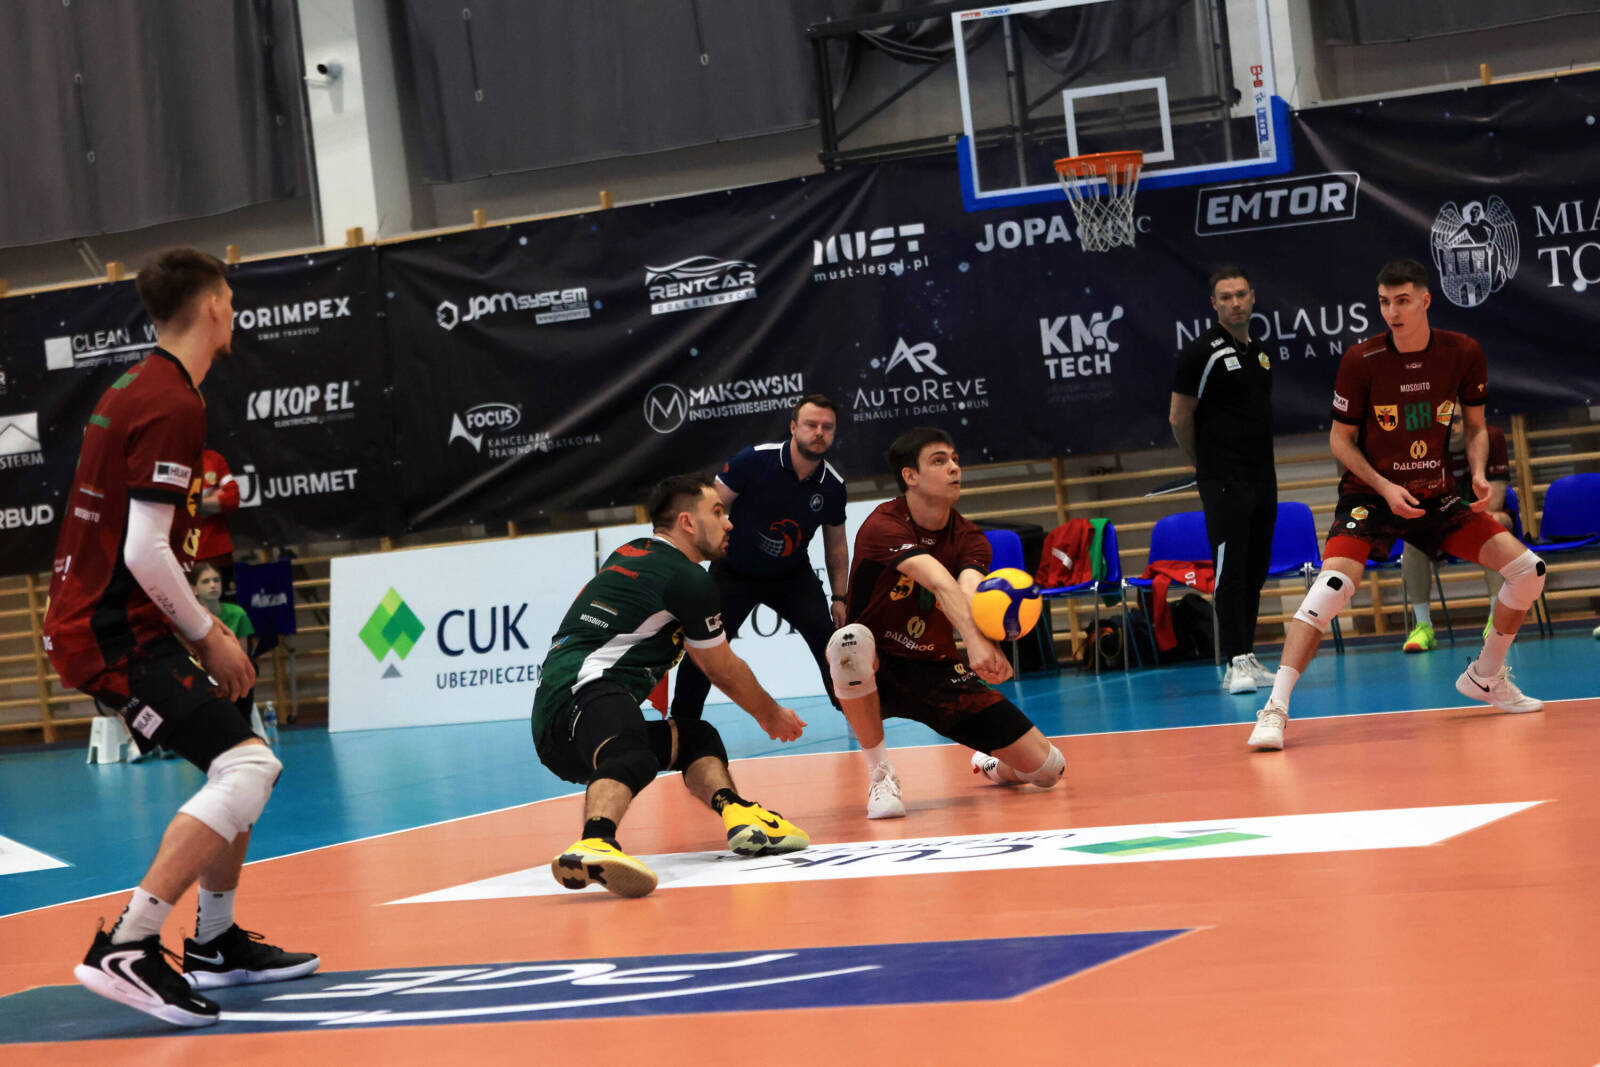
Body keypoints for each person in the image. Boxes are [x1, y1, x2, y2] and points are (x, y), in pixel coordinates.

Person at [43, 248, 317, 1028]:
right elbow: (142, 549)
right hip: (111, 632)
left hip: (123, 618)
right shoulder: (171, 401)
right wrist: (209, 634)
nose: (234, 310)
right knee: (249, 764)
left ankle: (216, 942)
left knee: (242, 742)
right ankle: (127, 945)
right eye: (230, 297)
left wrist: (197, 631)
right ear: (214, 307)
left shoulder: (138, 384)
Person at [1249, 259, 1545, 750]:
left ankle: (1485, 676)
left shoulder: (1463, 352)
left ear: (1425, 300)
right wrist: (1385, 487)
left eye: (1402, 301)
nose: (1392, 312)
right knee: (1331, 587)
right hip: (1371, 496)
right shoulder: (1361, 359)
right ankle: (1274, 709)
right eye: (1385, 302)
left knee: (1528, 571)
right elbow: (1340, 441)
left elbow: (1475, 427)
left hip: (1435, 495)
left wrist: (1476, 471)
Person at [531, 473, 812, 898]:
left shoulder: (633, 551)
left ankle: (738, 814)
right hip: (584, 689)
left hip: (566, 712)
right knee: (633, 753)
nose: (729, 523)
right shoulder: (688, 579)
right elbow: (721, 668)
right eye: (717, 512)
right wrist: (770, 714)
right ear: (687, 522)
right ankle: (594, 842)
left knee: (695, 738)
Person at [825, 427, 1066, 819]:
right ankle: (881, 776)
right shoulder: (883, 524)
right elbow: (938, 581)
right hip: (878, 666)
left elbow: (968, 591)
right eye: (939, 461)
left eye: (955, 459)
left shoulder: (970, 537)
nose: (954, 468)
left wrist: (989, 642)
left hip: (936, 669)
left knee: (1049, 770)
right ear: (910, 476)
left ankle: (991, 764)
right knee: (848, 641)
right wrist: (974, 642)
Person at [670, 395, 848, 721]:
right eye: (811, 425)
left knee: (832, 647)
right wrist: (686, 562)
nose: (819, 432)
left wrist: (840, 597)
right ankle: (682, 726)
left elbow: (836, 547)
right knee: (704, 649)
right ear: (793, 427)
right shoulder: (753, 460)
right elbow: (707, 510)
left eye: (827, 427)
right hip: (733, 572)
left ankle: (856, 715)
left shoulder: (833, 486)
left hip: (792, 577)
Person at [1169, 265, 1278, 694]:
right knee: (1230, 571)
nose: (1235, 303)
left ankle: (1248, 654)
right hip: (1224, 482)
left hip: (1262, 479)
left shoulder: (1261, 355)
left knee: (1254, 570)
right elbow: (1179, 418)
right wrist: (1205, 465)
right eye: (1226, 297)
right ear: (1214, 304)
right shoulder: (1201, 353)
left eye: (1241, 295)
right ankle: (1234, 662)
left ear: (1253, 297)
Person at [1400, 417, 1513, 652]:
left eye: (1457, 419)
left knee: (1494, 523)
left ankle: (1497, 623)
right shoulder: (1423, 447)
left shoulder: (1492, 438)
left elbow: (1493, 503)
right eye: (1444, 420)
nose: (1452, 427)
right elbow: (1424, 507)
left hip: (1483, 519)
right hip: (1445, 523)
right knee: (1413, 538)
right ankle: (1423, 626)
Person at [193, 561, 260, 724]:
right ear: (194, 589)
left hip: (232, 671)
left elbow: (243, 653)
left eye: (216, 580)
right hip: (202, 675)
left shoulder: (237, 613)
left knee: (248, 667)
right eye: (206, 581)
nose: (213, 585)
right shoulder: (188, 618)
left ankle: (244, 723)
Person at [194, 448, 242, 599]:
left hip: (219, 555)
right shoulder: (169, 461)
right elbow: (174, 507)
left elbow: (233, 498)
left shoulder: (213, 459)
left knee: (227, 609)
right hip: (186, 558)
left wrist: (195, 504)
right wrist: (213, 499)